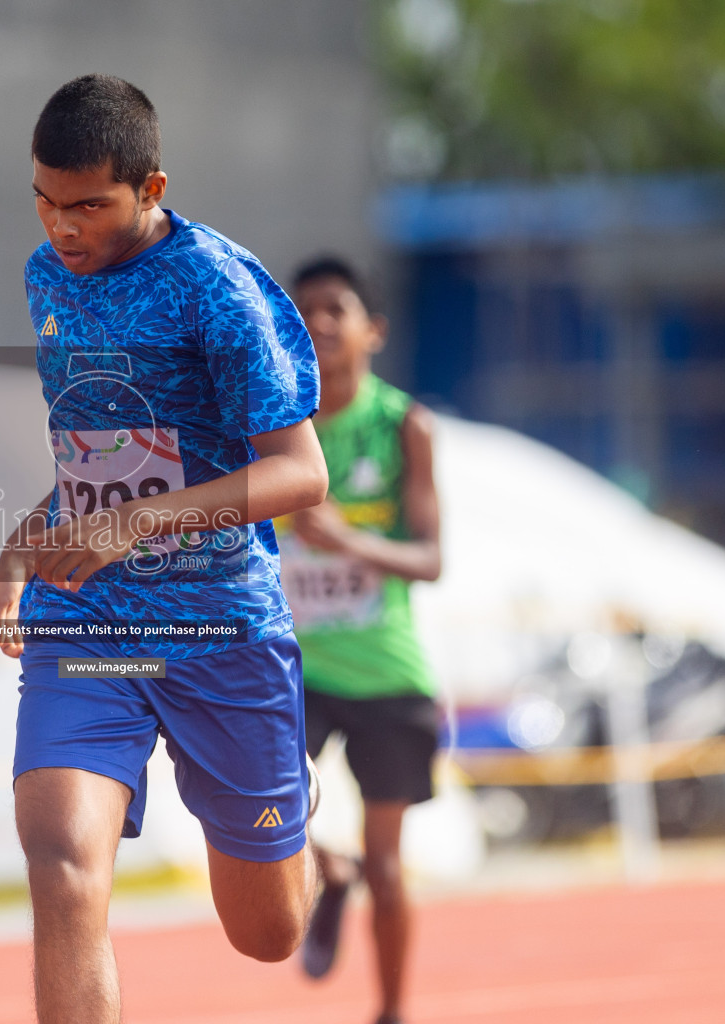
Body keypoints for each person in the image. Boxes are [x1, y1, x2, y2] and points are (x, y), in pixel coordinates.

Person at [0, 74, 329, 1023]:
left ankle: (297, 822)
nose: (63, 229)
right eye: (46, 204)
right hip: (92, 616)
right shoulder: (44, 277)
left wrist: (131, 524)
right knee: (60, 865)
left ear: (152, 189)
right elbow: (105, 445)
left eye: (89, 206)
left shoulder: (217, 289)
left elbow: (301, 476)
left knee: (267, 934)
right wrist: (30, 539)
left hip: (220, 624)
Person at [282, 256, 442, 1024]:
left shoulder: (403, 426)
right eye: (302, 309)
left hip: (385, 672)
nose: (316, 324)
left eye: (333, 309)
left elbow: (432, 560)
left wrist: (349, 541)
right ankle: (325, 872)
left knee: (388, 861)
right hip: (296, 670)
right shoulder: (274, 427)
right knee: (262, 813)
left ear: (371, 329)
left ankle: (392, 1011)